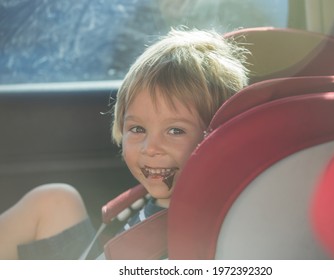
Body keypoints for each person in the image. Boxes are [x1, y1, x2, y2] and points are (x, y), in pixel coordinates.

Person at [0, 27, 249, 259]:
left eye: (175, 130)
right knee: (54, 200)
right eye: (137, 129)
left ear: (216, 137)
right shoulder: (159, 202)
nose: (150, 147)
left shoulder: (195, 232)